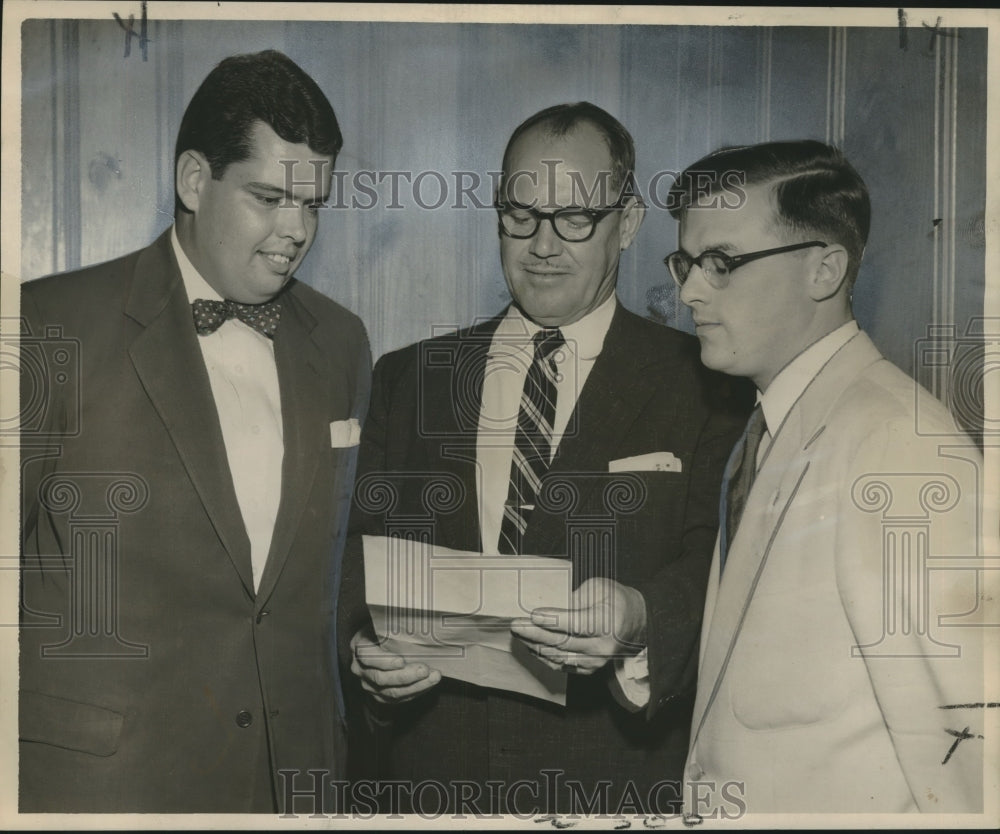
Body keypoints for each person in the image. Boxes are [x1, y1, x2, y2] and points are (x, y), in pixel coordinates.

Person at [338, 102, 751, 816]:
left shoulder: (707, 385)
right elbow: (356, 558)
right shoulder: (409, 378)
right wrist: (365, 652)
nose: (543, 244)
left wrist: (642, 617)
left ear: (625, 222)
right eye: (520, 215)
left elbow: (720, 563)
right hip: (429, 787)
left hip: (611, 788)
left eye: (575, 218)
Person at [19, 50, 371, 813]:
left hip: (294, 788)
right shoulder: (49, 325)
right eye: (270, 197)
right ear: (192, 180)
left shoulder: (341, 342)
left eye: (313, 204)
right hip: (108, 789)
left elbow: (329, 581)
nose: (296, 230)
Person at [663, 140, 986, 815]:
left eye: (722, 263)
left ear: (824, 270)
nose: (690, 290)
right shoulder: (769, 428)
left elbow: (970, 759)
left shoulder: (897, 446)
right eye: (687, 263)